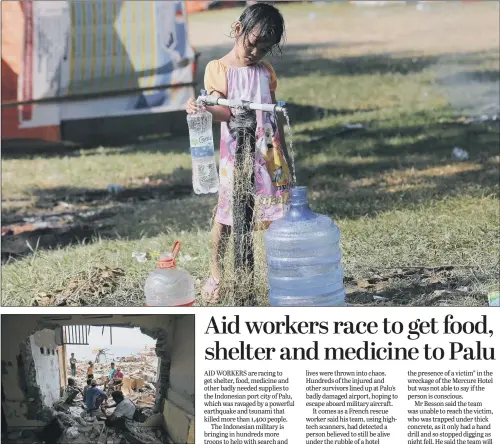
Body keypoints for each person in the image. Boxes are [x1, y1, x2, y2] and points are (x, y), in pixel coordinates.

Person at [185, 3, 291, 303]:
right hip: (237, 153)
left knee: (277, 211)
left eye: (265, 49)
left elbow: (270, 114)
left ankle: (278, 273)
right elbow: (221, 110)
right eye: (253, 44)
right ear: (237, 30)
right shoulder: (219, 69)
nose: (256, 54)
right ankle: (216, 274)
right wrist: (201, 106)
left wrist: (279, 155)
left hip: (268, 151)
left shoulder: (265, 72)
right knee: (227, 216)